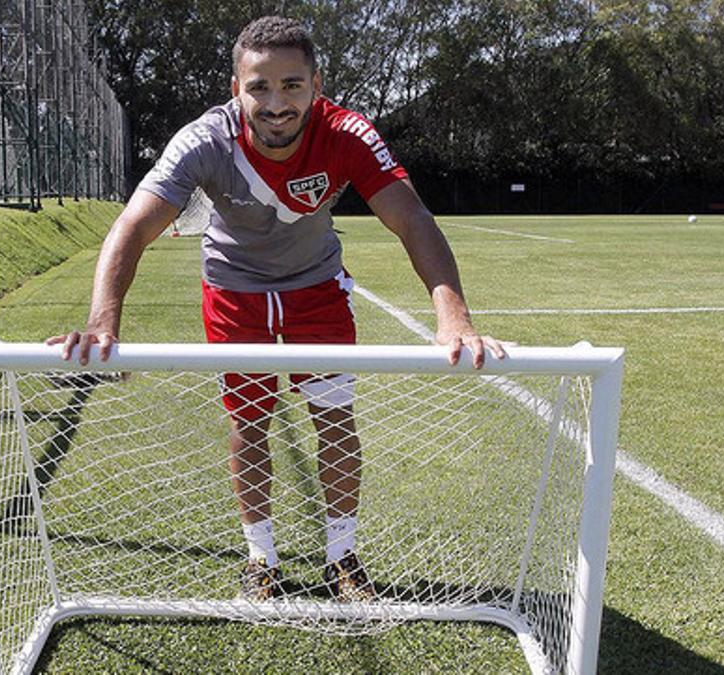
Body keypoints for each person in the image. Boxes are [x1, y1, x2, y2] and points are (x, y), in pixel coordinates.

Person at [46, 16, 505, 603]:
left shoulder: (348, 134)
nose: (277, 102)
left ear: (317, 84)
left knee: (334, 418)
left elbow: (412, 220)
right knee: (249, 421)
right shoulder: (204, 141)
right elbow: (134, 225)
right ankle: (261, 557)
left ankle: (342, 556)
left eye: (292, 85)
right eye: (259, 86)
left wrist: (454, 317)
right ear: (235, 87)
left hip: (317, 290)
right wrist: (103, 319)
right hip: (233, 293)